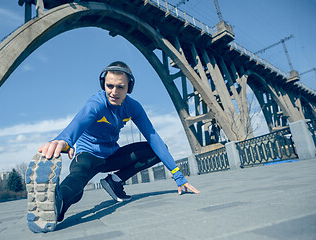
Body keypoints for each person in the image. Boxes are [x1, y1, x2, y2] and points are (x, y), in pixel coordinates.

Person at [26, 61, 200, 233]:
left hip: (112, 156)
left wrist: (178, 175)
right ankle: (56, 205)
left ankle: (114, 182)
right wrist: (64, 140)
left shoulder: (133, 107)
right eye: (109, 86)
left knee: (156, 149)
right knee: (78, 177)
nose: (114, 92)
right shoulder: (96, 103)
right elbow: (79, 121)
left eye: (120, 87)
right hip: (88, 155)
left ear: (129, 88)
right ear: (104, 84)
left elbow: (153, 137)